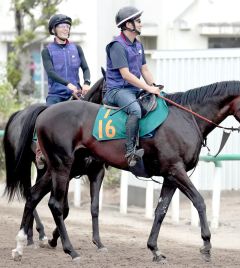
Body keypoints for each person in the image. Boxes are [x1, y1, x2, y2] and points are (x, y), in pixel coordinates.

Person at [103, 6, 161, 167]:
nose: (141, 24)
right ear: (128, 25)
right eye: (138, 21)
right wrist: (148, 88)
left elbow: (145, 69)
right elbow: (126, 75)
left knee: (159, 102)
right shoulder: (117, 45)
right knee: (135, 109)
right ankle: (130, 152)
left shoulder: (138, 44)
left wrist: (154, 87)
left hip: (133, 89)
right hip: (116, 91)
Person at [36, 14, 91, 168]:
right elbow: (51, 72)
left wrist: (86, 82)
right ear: (54, 30)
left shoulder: (76, 48)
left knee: (91, 119)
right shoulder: (47, 51)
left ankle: (89, 153)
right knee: (42, 119)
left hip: (75, 95)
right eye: (62, 26)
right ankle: (40, 152)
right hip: (56, 95)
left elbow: (85, 68)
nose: (66, 29)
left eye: (68, 26)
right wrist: (67, 84)